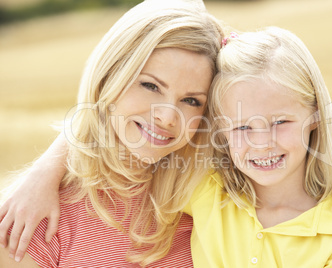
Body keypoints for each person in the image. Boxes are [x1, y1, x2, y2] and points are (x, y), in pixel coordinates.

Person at [0, 0, 223, 266]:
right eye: (151, 86)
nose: (166, 117)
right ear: (110, 76)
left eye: (191, 101)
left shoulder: (213, 198)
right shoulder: (35, 217)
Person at [182, 27, 332, 267]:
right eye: (242, 128)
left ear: (316, 115)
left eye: (280, 122)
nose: (263, 143)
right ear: (220, 131)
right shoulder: (204, 190)